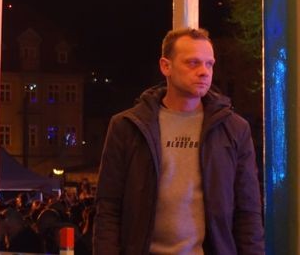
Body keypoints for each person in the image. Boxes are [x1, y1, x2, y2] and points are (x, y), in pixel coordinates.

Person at [94, 27, 264, 254]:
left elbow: (248, 211)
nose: (204, 72)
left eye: (209, 64)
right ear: (166, 66)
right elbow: (108, 208)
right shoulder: (127, 127)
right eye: (193, 63)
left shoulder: (234, 129)